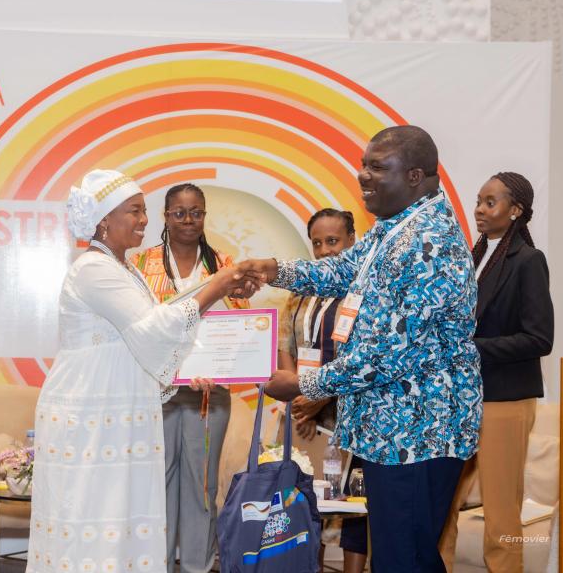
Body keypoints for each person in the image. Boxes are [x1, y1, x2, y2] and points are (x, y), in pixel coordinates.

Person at [240, 125, 483, 572]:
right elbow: (341, 270)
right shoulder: (395, 228)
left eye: (377, 167)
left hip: (417, 432)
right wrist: (273, 269)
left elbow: (387, 354)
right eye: (363, 165)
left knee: (404, 559)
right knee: (398, 555)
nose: (363, 176)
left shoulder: (429, 243)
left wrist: (303, 384)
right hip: (392, 430)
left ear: (414, 176)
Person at [26, 169, 257, 573]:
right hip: (93, 413)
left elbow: (158, 324)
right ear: (104, 219)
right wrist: (216, 286)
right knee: (94, 516)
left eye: (144, 210)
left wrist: (196, 360)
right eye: (134, 211)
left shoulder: (124, 268)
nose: (144, 220)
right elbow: (155, 328)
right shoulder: (93, 269)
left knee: (120, 518)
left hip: (118, 411)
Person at [131, 183, 249, 573]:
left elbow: (239, 325)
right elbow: (138, 326)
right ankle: (158, 565)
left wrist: (223, 367)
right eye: (179, 213)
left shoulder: (226, 265)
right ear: (165, 217)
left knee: (202, 485)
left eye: (196, 212)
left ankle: (198, 565)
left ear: (204, 215)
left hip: (209, 395)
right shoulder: (140, 263)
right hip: (157, 389)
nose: (188, 220)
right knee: (158, 483)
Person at [439, 172, 554, 572]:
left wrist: (470, 348)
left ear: (516, 210)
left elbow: (539, 338)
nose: (479, 210)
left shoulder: (528, 261)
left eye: (491, 202)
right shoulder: (471, 259)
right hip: (459, 400)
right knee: (441, 505)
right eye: (478, 201)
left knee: (501, 513)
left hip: (504, 400)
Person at [276, 208, 367, 573]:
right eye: (317, 243)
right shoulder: (301, 291)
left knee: (352, 502)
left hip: (350, 411)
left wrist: (319, 397)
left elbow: (363, 355)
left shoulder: (364, 291)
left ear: (352, 241)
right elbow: (286, 344)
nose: (325, 250)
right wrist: (298, 399)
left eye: (333, 241)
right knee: (307, 500)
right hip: (304, 413)